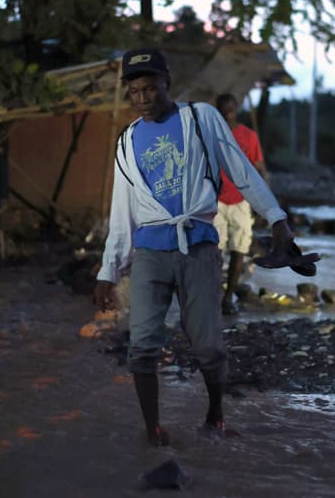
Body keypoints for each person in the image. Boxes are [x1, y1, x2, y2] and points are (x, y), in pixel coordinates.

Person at [93, 48, 295, 446]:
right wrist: (107, 271)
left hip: (199, 246)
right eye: (134, 91)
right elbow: (122, 212)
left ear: (167, 83)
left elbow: (241, 170)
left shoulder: (201, 118)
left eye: (151, 88)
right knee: (142, 347)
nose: (143, 98)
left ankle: (215, 416)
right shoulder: (127, 141)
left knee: (207, 345)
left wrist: (276, 218)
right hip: (150, 253)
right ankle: (153, 431)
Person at [212, 93, 266, 315]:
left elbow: (259, 168)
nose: (228, 113)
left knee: (239, 249)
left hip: (242, 200)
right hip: (215, 201)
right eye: (223, 109)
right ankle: (214, 296)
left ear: (237, 108)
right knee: (215, 252)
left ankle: (228, 298)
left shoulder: (249, 136)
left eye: (231, 109)